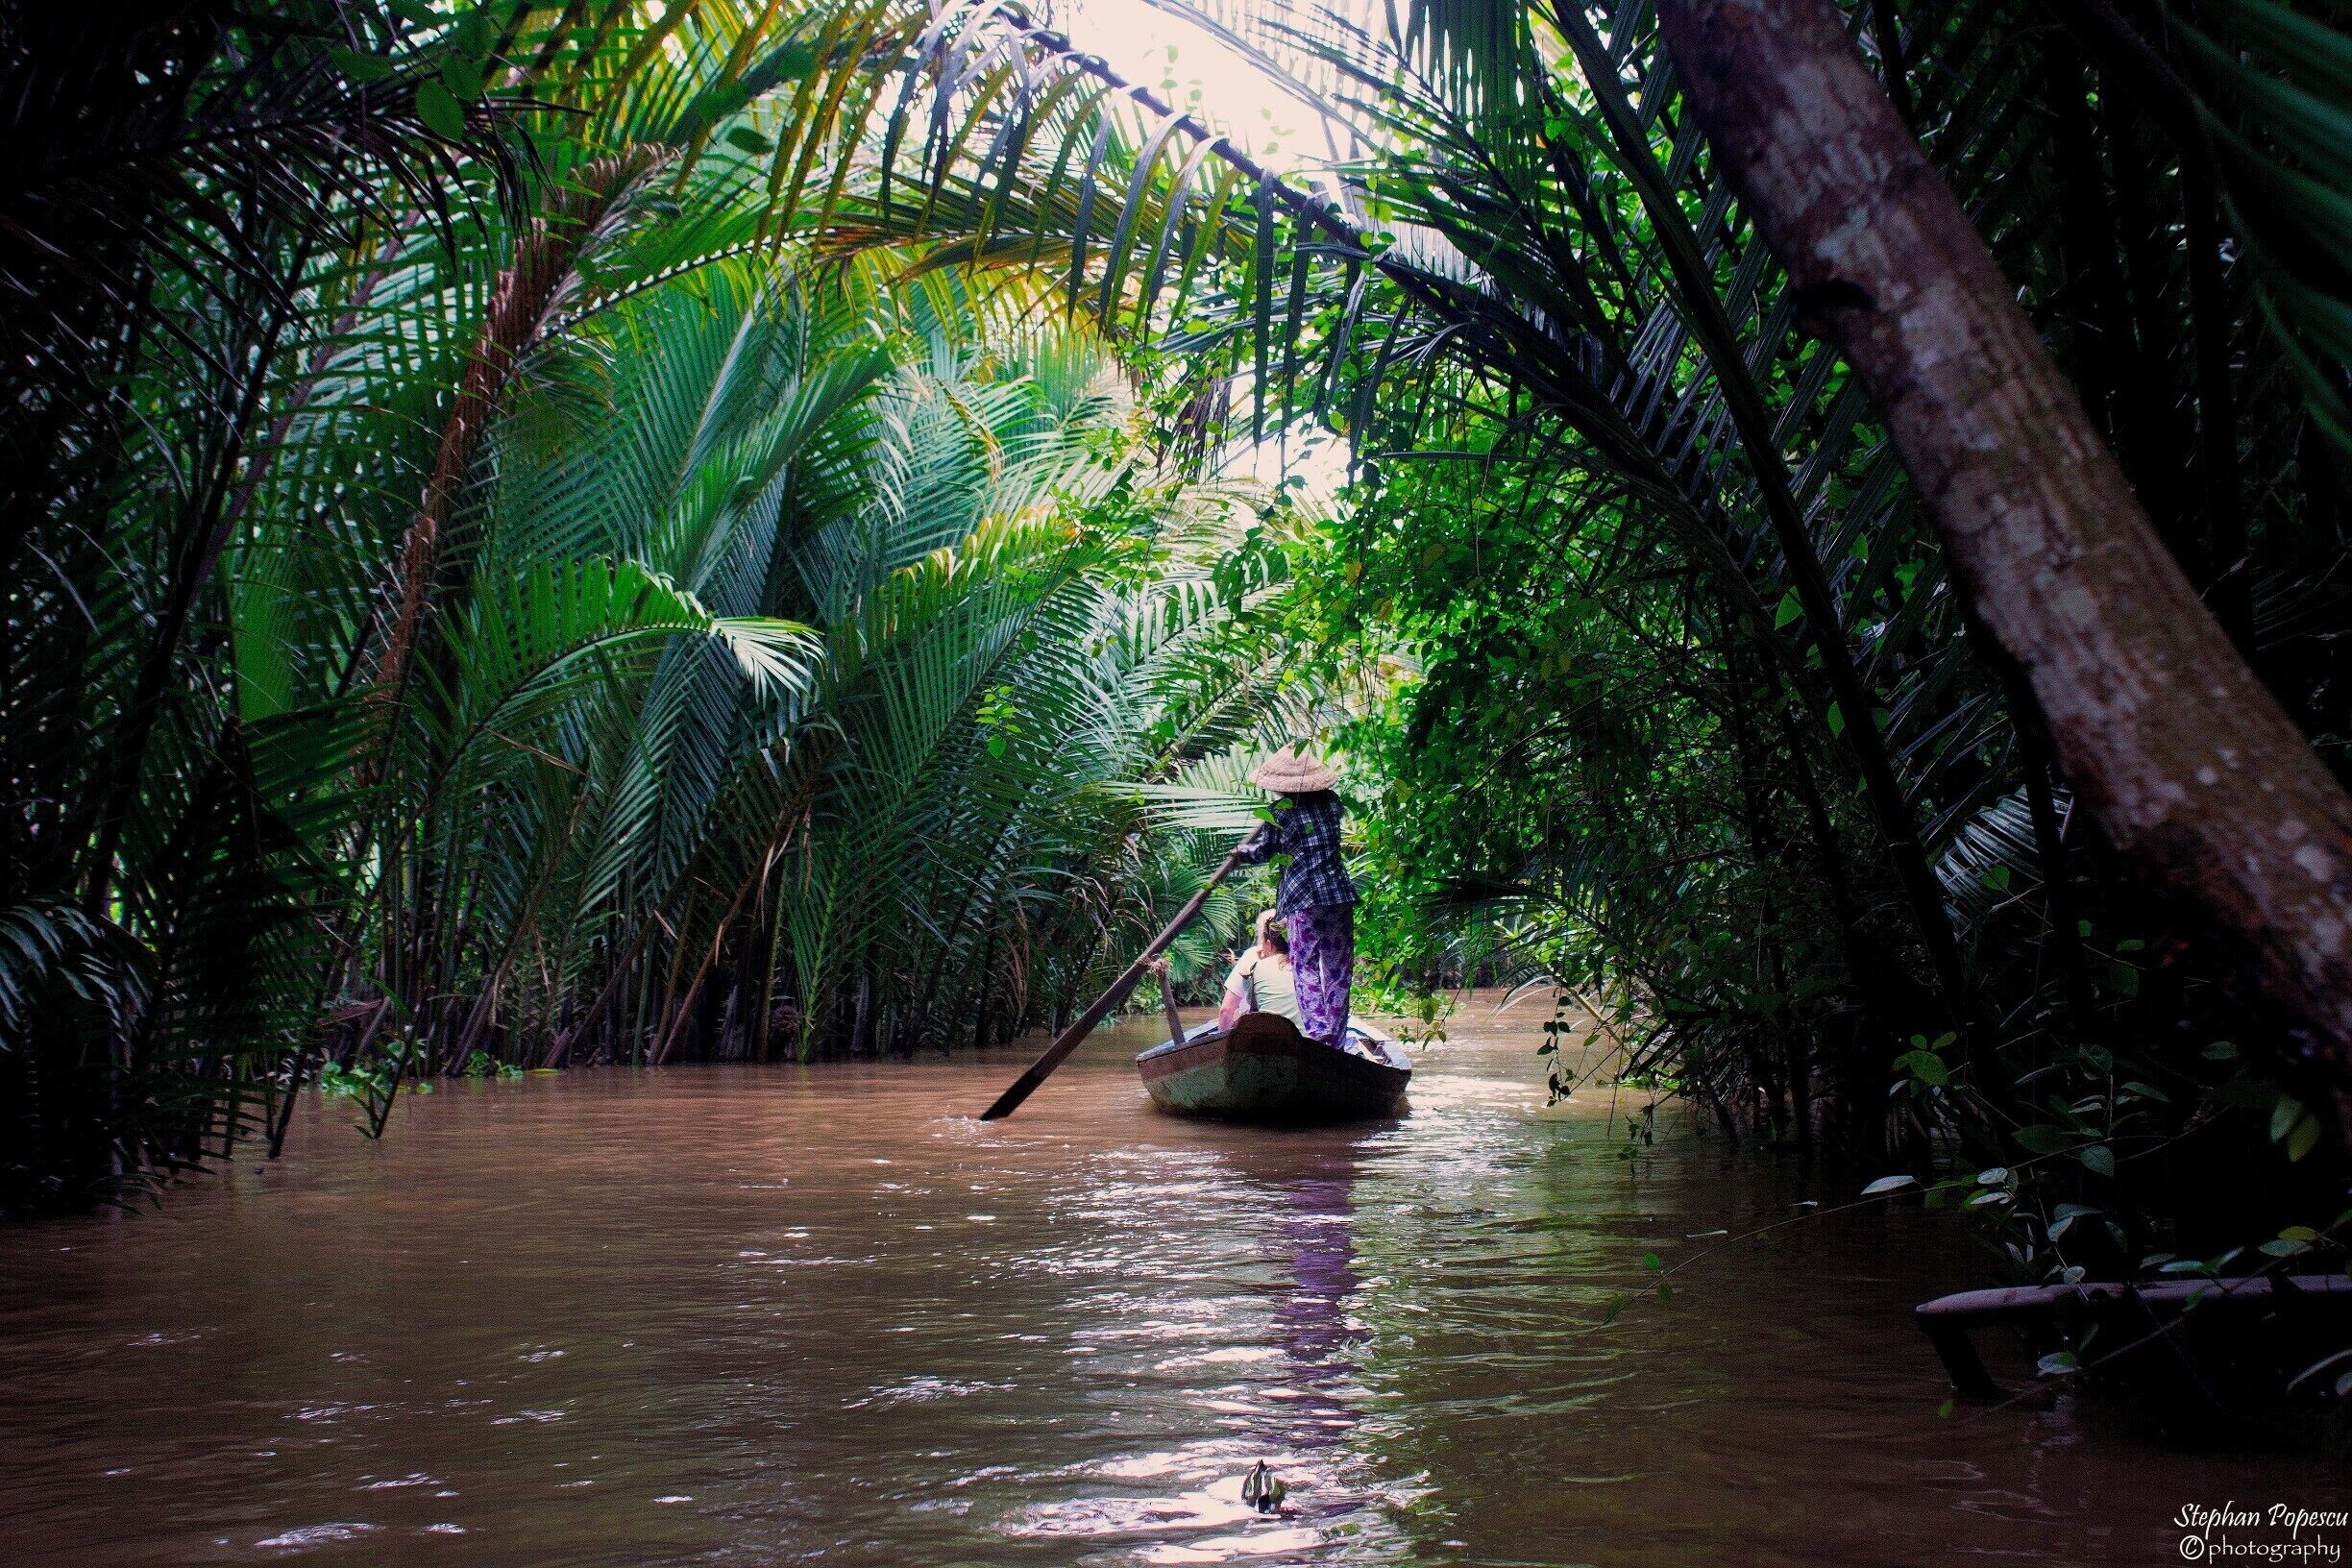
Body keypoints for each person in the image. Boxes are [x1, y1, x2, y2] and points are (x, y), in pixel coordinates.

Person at [1233, 746, 1357, 1050]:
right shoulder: (1331, 804)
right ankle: (1336, 1039)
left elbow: (1264, 852)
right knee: (1338, 968)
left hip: (1304, 898)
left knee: (1305, 967)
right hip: (1337, 894)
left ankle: (1318, 1034)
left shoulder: (1280, 813)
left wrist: (1240, 854)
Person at [1219, 910, 1301, 1032]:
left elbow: (1226, 1010)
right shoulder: (1308, 961)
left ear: (1268, 942)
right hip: (1308, 1041)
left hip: (1272, 1038)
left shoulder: (1254, 962)